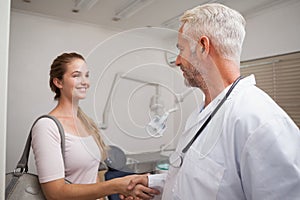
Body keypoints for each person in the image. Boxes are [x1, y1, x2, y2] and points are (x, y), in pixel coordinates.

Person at [125, 3, 300, 200]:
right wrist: (152, 184)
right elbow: (198, 180)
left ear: (202, 47)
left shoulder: (260, 122)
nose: (177, 61)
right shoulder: (202, 113)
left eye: (181, 49)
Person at [31, 52, 159, 200]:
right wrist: (116, 186)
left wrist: (118, 193)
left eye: (87, 75)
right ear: (58, 82)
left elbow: (94, 176)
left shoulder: (85, 122)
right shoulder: (47, 127)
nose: (85, 82)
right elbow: (55, 194)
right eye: (76, 75)